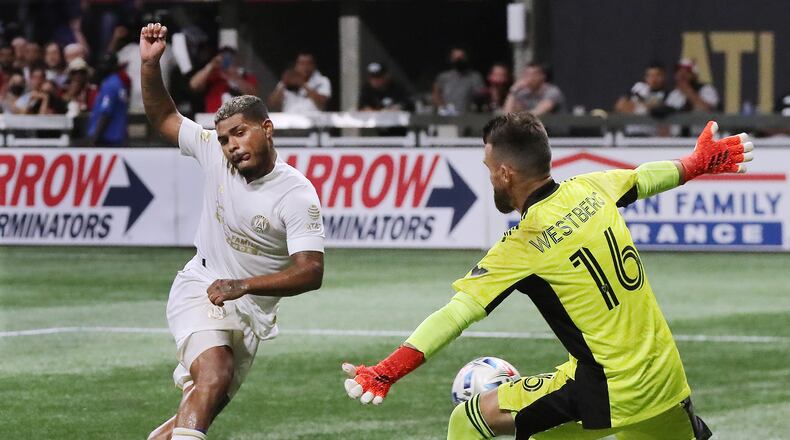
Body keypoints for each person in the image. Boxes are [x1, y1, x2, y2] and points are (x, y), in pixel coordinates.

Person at [342, 112, 753, 439]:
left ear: (505, 173)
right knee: (546, 432)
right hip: (666, 380)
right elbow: (646, 177)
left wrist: (387, 370)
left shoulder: (523, 243)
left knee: (469, 419)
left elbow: (455, 315)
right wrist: (695, 163)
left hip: (609, 389)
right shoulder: (593, 187)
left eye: (489, 169)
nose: (490, 179)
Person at [140, 23, 325, 440]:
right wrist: (151, 66)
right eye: (224, 139)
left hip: (250, 310)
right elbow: (165, 116)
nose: (231, 146)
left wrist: (244, 284)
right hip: (201, 285)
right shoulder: (212, 153)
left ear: (267, 129)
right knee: (215, 373)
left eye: (240, 133)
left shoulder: (296, 195)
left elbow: (311, 271)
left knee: (196, 411)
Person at [189, 46, 258, 113]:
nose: (227, 61)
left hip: (238, 118)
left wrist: (234, 76)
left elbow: (253, 95)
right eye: (223, 58)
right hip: (213, 118)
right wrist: (211, 65)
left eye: (230, 58)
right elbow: (193, 85)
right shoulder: (213, 76)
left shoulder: (245, 76)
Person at [614, 63, 670, 136]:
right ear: (646, 77)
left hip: (651, 138)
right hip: (630, 135)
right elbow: (619, 106)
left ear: (664, 77)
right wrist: (644, 106)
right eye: (651, 76)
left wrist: (636, 106)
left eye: (658, 75)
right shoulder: (639, 87)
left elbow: (658, 107)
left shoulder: (668, 94)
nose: (654, 79)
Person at [87, 53, 130, 146]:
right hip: (118, 136)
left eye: (107, 65)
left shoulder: (110, 85)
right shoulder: (118, 83)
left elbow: (105, 113)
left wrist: (95, 138)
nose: (104, 68)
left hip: (107, 139)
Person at [432, 46, 485, 114]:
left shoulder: (475, 77)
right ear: (451, 58)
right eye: (456, 58)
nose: (458, 60)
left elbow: (480, 97)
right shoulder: (443, 77)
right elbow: (435, 95)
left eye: (461, 57)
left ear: (466, 58)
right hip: (446, 117)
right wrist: (443, 109)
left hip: (468, 117)